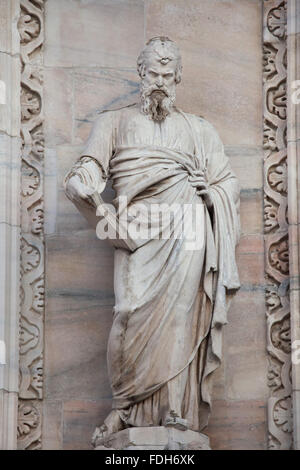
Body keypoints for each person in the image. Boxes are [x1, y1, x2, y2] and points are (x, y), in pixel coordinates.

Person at [64, 37, 240, 445]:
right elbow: (90, 166)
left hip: (189, 229)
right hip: (136, 235)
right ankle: (124, 407)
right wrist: (82, 182)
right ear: (140, 74)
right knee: (129, 311)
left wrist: (210, 192)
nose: (160, 81)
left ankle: (176, 410)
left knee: (180, 315)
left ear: (177, 77)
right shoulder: (113, 122)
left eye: (167, 74)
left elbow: (226, 182)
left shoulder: (199, 129)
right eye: (153, 74)